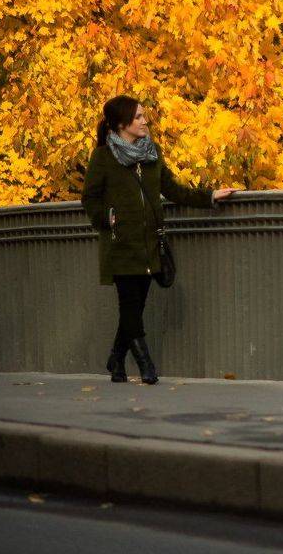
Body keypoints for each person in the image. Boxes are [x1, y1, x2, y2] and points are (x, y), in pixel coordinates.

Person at [81, 95, 237, 384]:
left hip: (150, 244)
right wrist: (108, 218)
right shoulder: (103, 157)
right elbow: (89, 199)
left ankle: (116, 358)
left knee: (135, 307)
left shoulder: (152, 154)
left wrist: (210, 196)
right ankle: (145, 364)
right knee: (129, 304)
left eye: (144, 116)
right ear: (120, 123)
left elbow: (174, 190)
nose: (144, 121)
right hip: (121, 245)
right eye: (138, 117)